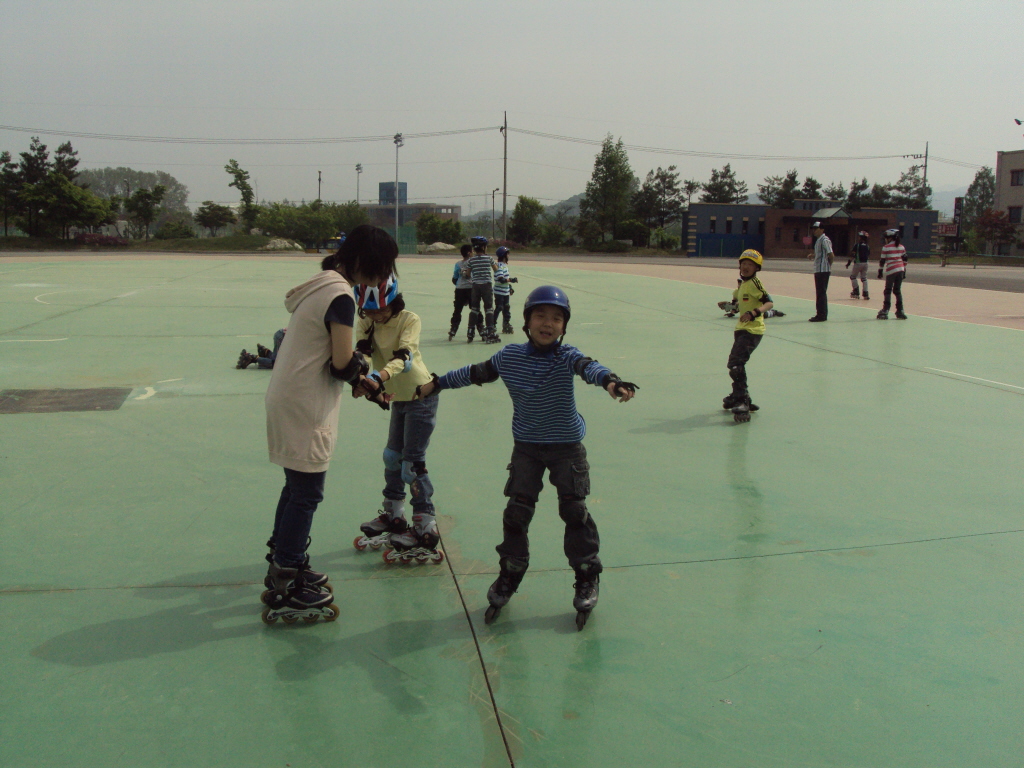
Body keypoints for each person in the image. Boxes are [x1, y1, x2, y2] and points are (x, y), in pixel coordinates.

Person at [415, 285, 639, 631]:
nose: (548, 323)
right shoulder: (509, 357)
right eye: (540, 316)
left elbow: (589, 367)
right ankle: (510, 573)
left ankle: (586, 575)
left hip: (566, 448)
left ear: (564, 326)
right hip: (527, 448)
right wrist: (437, 383)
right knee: (517, 512)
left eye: (556, 318)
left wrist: (611, 382)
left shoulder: (567, 357)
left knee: (574, 511)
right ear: (527, 321)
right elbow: (475, 373)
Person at [260, 224, 398, 625]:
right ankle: (286, 578)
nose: (383, 277)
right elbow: (341, 362)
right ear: (362, 262)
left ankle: (287, 563)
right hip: (304, 403)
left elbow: (338, 362)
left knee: (296, 487)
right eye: (381, 267)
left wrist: (364, 384)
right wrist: (362, 374)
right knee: (307, 493)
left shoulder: (321, 284)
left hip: (288, 396)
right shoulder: (340, 295)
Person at [350, 276, 443, 564]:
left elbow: (405, 357)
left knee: (411, 466)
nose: (376, 316)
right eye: (370, 311)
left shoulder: (408, 319)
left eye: (381, 310)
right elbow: (362, 353)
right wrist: (361, 379)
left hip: (421, 396)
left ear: (393, 302)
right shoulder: (366, 322)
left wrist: (378, 377)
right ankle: (394, 514)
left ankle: (425, 526)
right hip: (398, 399)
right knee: (392, 457)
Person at [723, 250, 774, 423]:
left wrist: (754, 313)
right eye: (743, 264)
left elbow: (769, 302)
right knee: (735, 364)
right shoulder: (742, 286)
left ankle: (742, 400)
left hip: (753, 330)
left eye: (750, 265)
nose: (745, 267)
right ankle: (739, 394)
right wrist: (729, 307)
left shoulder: (755, 283)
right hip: (741, 329)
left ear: (756, 268)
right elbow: (738, 306)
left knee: (736, 364)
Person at [464, 235, 499, 343]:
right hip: (486, 285)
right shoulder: (489, 258)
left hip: (475, 286)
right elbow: (496, 270)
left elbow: (468, 274)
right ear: (484, 248)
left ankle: (470, 331)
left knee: (474, 309)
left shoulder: (471, 260)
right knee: (488, 308)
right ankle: (490, 331)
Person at [877, 228, 908, 320]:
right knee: (897, 291)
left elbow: (882, 261)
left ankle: (885, 310)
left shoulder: (886, 247)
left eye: (886, 237)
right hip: (901, 270)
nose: (885, 239)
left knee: (887, 290)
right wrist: (904, 271)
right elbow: (905, 259)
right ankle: (900, 310)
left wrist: (880, 271)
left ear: (890, 238)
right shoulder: (902, 247)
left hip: (891, 270)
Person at [806, 221, 833, 322]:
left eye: (816, 228)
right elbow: (821, 253)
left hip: (823, 270)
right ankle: (820, 314)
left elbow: (831, 254)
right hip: (818, 269)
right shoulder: (818, 240)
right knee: (819, 292)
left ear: (822, 229)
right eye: (813, 229)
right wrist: (813, 255)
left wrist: (829, 265)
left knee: (821, 293)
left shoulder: (825, 240)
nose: (814, 230)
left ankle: (822, 315)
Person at [718, 280, 784, 318]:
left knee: (763, 315)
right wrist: (732, 313)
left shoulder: (747, 291)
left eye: (741, 284)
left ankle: (774, 312)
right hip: (745, 308)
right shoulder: (736, 292)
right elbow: (734, 302)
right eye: (738, 284)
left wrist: (737, 305)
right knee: (738, 306)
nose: (739, 285)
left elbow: (746, 301)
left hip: (754, 307)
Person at [448, 244, 473, 341]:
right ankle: (480, 328)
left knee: (457, 310)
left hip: (460, 289)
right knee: (475, 309)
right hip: (471, 288)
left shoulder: (458, 264)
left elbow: (454, 278)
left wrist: (459, 284)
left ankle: (453, 328)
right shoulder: (473, 262)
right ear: (469, 253)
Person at [493, 246, 518, 334]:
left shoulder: (504, 266)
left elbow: (505, 279)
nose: (509, 256)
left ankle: (506, 324)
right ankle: (492, 325)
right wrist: (512, 280)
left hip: (505, 291)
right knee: (499, 307)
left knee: (506, 308)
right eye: (508, 254)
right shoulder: (499, 266)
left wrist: (510, 287)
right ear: (504, 255)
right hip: (499, 292)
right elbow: (501, 279)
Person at [847, 231, 871, 300]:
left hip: (858, 263)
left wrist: (849, 262)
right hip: (866, 263)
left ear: (860, 237)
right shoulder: (867, 246)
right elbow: (868, 254)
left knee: (853, 277)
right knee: (864, 278)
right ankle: (865, 293)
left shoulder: (857, 245)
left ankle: (856, 291)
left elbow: (853, 255)